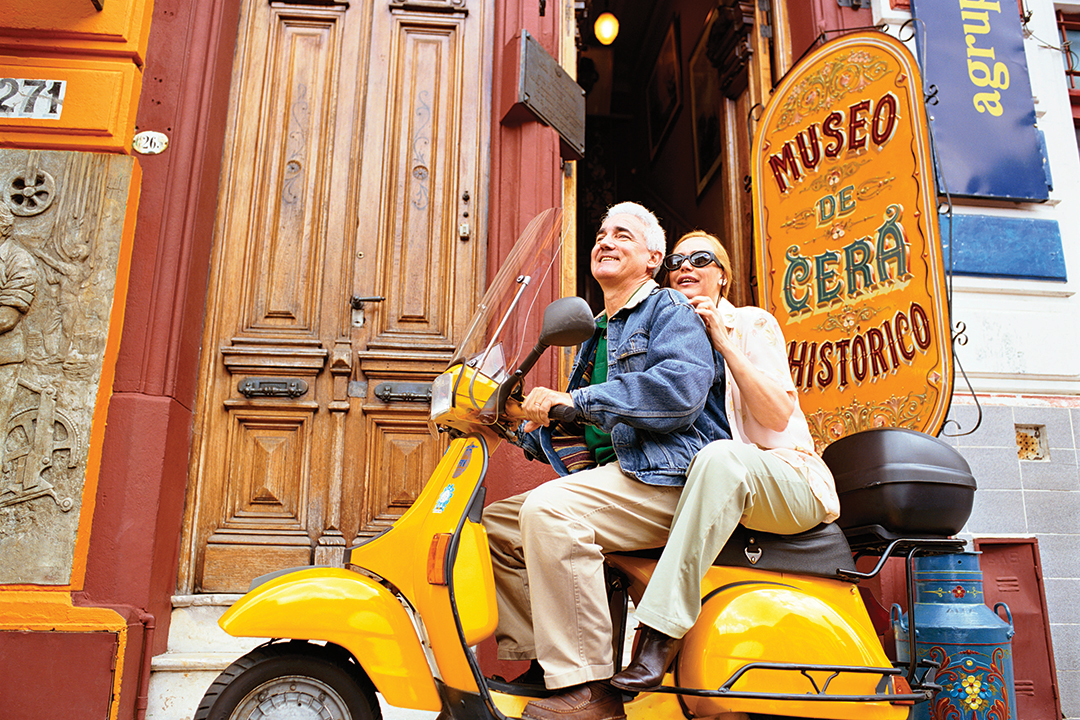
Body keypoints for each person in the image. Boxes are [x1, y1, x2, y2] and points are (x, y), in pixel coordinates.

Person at [483, 204, 730, 720]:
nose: (605, 241)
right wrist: (510, 421)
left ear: (652, 258)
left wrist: (582, 400)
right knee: (497, 526)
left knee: (550, 512)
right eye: (600, 233)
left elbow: (679, 392)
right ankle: (548, 669)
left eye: (623, 235)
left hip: (669, 477)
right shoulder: (596, 330)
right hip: (620, 478)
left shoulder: (668, 311)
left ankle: (591, 690)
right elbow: (580, 422)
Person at [610, 230, 841, 691]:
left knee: (719, 458)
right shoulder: (663, 336)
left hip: (788, 474)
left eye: (701, 258)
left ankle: (658, 634)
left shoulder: (751, 323)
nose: (684, 267)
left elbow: (776, 414)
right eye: (675, 261)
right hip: (718, 480)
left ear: (722, 278)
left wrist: (724, 341)